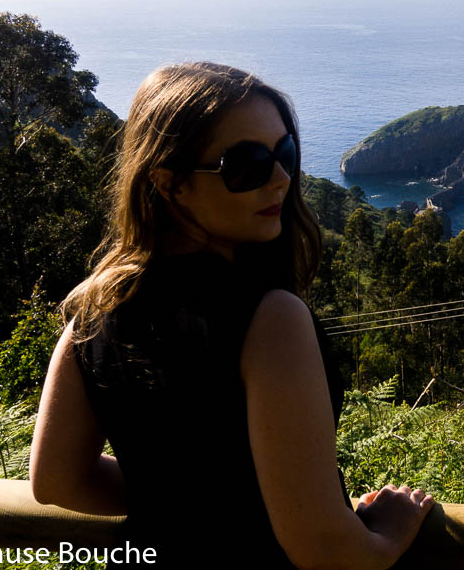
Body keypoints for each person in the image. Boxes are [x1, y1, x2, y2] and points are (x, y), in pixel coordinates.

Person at [29, 62, 434, 569]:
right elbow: (323, 548)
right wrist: (389, 535)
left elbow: (59, 482)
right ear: (169, 183)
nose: (282, 179)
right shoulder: (271, 319)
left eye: (285, 153)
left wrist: (183, 503)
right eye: (245, 165)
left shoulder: (94, 309)